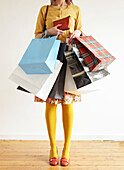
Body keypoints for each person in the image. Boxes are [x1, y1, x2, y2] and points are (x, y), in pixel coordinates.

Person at [34, 0, 83, 166]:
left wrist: (77, 33)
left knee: (68, 103)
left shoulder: (76, 9)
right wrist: (50, 32)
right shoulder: (45, 10)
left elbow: (81, 31)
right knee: (51, 102)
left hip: (70, 55)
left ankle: (66, 149)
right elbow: (37, 36)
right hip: (51, 56)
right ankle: (53, 148)